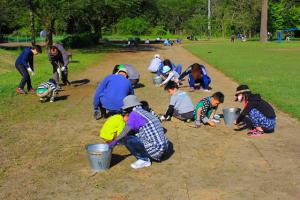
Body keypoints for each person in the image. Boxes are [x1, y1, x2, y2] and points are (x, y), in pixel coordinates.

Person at [108, 95, 169, 169]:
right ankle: (148, 155)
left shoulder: (134, 114)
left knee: (127, 139)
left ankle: (144, 159)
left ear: (129, 107)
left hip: (156, 152)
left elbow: (125, 131)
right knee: (133, 135)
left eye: (126, 109)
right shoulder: (145, 112)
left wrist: (115, 141)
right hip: (164, 149)